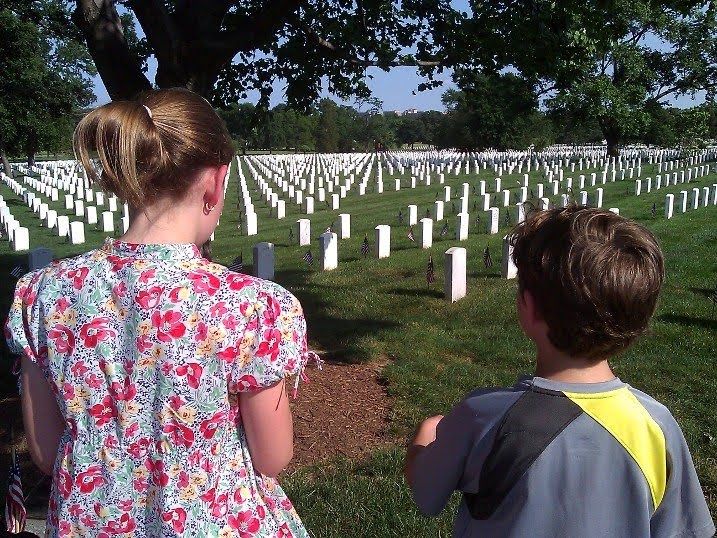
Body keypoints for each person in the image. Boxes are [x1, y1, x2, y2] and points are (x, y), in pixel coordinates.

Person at [5, 88, 313, 537]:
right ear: (215, 181)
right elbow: (273, 456)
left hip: (89, 523)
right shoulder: (255, 306)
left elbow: (47, 452)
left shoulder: (41, 296)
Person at [404, 206, 715, 537]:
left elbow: (426, 491)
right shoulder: (658, 426)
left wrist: (425, 434)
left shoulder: (483, 417)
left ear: (530, 307)